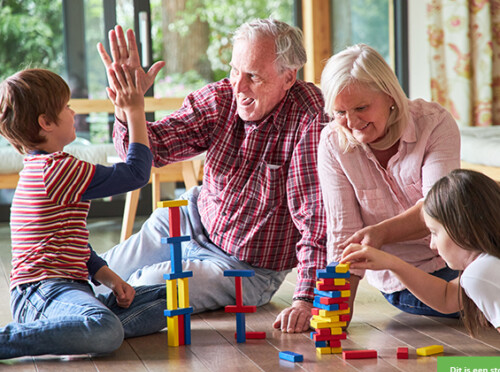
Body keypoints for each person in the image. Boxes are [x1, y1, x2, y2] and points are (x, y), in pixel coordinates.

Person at [96, 18, 328, 333]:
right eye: (235, 71)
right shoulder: (222, 97)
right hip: (192, 222)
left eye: (253, 76)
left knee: (141, 288)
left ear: (289, 77)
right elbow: (152, 151)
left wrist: (305, 298)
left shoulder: (311, 119)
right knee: (100, 272)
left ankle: (79, 331)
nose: (239, 86)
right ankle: (52, 308)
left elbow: (316, 218)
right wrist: (129, 109)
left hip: (244, 268)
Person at [0, 67, 167, 359]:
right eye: (66, 107)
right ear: (46, 122)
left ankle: (78, 331)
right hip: (42, 293)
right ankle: (15, 339)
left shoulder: (45, 167)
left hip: (66, 290)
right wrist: (136, 111)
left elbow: (71, 244)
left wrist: (113, 281)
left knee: (169, 301)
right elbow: (137, 174)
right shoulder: (58, 169)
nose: (72, 111)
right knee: (106, 329)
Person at [318, 43, 461, 321]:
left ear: (390, 96)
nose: (352, 122)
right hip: (407, 281)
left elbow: (438, 208)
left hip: (461, 257)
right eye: (339, 113)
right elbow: (343, 232)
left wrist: (381, 233)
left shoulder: (434, 123)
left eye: (362, 107)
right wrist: (337, 316)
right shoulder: (332, 144)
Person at [342, 169, 500, 336]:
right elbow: (447, 298)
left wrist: (476, 365)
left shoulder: (479, 274)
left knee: (452, 364)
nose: (432, 244)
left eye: (435, 232)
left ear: (461, 231)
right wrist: (391, 263)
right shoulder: (485, 265)